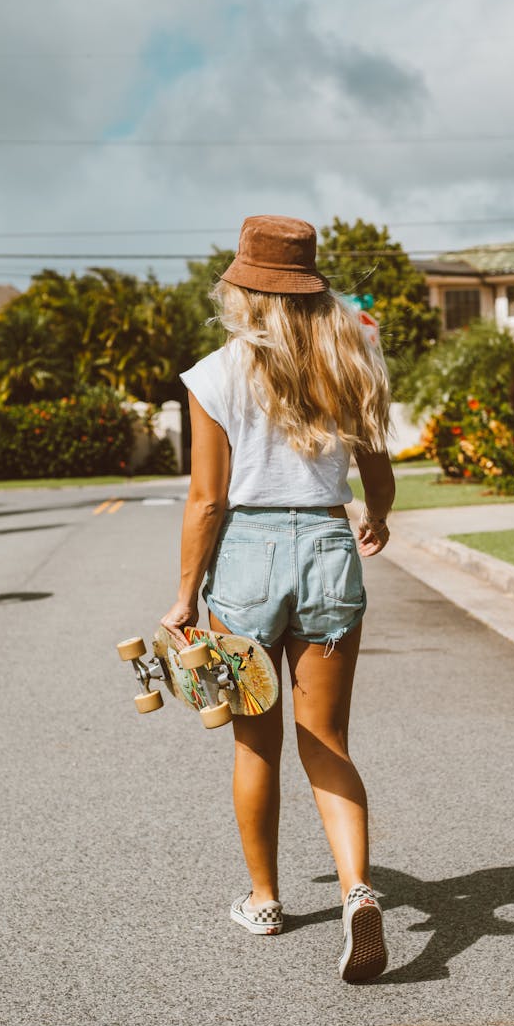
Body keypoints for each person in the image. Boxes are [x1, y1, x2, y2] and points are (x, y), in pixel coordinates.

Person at [160, 215, 395, 982]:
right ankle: (358, 887)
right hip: (329, 547)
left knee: (254, 742)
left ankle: (264, 899)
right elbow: (377, 464)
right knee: (324, 736)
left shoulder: (215, 374)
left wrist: (184, 595)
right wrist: (379, 514)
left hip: (250, 558)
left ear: (242, 290)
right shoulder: (349, 354)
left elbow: (205, 500)